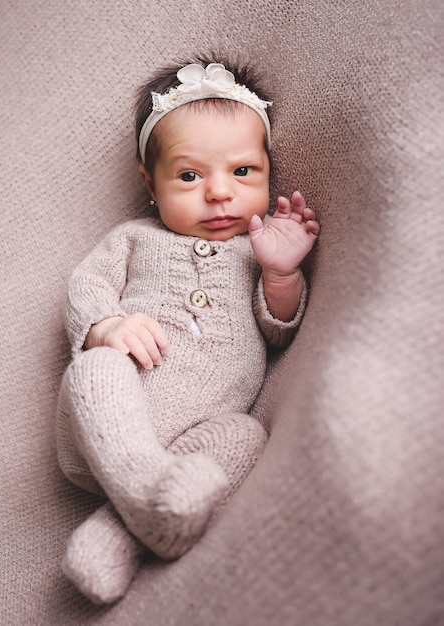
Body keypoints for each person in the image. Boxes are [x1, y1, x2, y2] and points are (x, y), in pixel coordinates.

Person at [56, 56, 320, 604]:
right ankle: (143, 486)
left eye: (243, 172)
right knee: (98, 369)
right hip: (105, 424)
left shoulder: (258, 249)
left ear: (269, 172)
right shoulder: (134, 238)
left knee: (247, 438)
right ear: (150, 182)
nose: (219, 193)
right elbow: (87, 286)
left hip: (194, 437)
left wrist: (281, 273)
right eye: (190, 175)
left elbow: (278, 331)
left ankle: (118, 535)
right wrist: (106, 326)